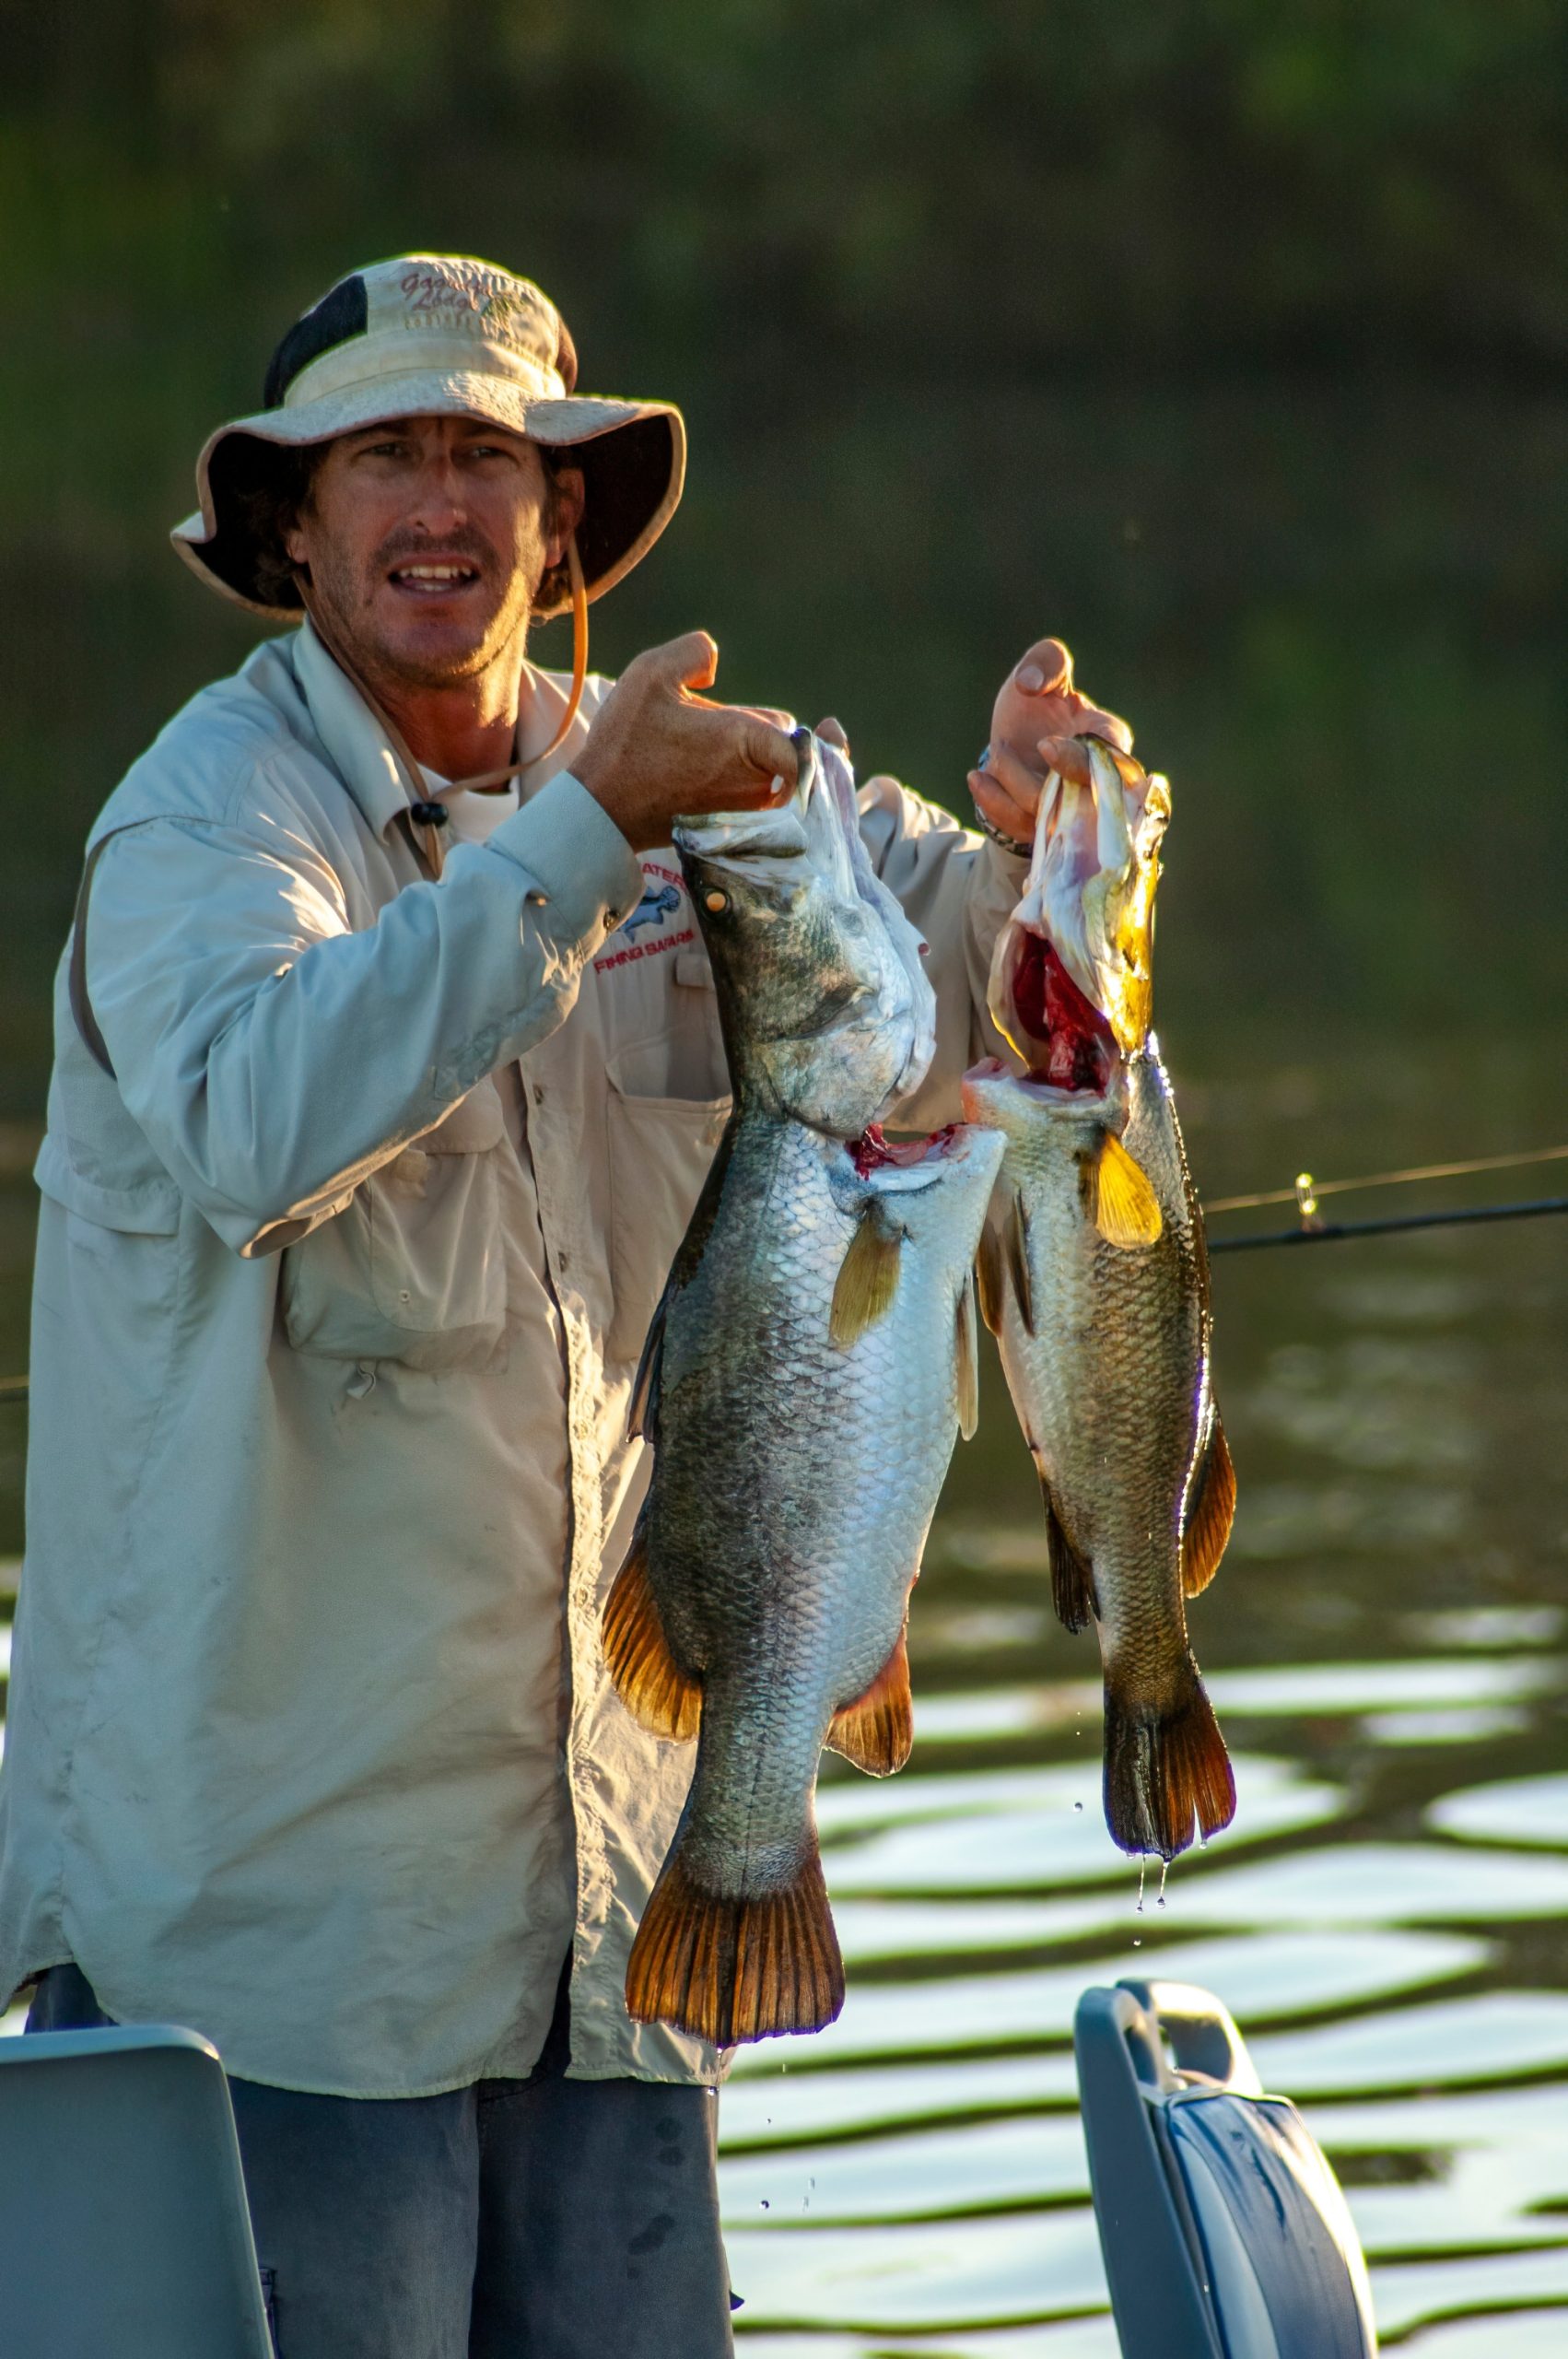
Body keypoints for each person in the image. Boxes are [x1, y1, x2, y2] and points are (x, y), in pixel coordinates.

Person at [0, 252, 1131, 2358]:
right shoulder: (202, 816)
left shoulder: (716, 787)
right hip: (274, 1962)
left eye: (489, 460)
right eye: (387, 457)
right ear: (291, 525)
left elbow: (946, 982)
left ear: (562, 521)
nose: (441, 504)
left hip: (618, 1926)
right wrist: (578, 838)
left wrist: (1036, 846)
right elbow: (256, 1113)